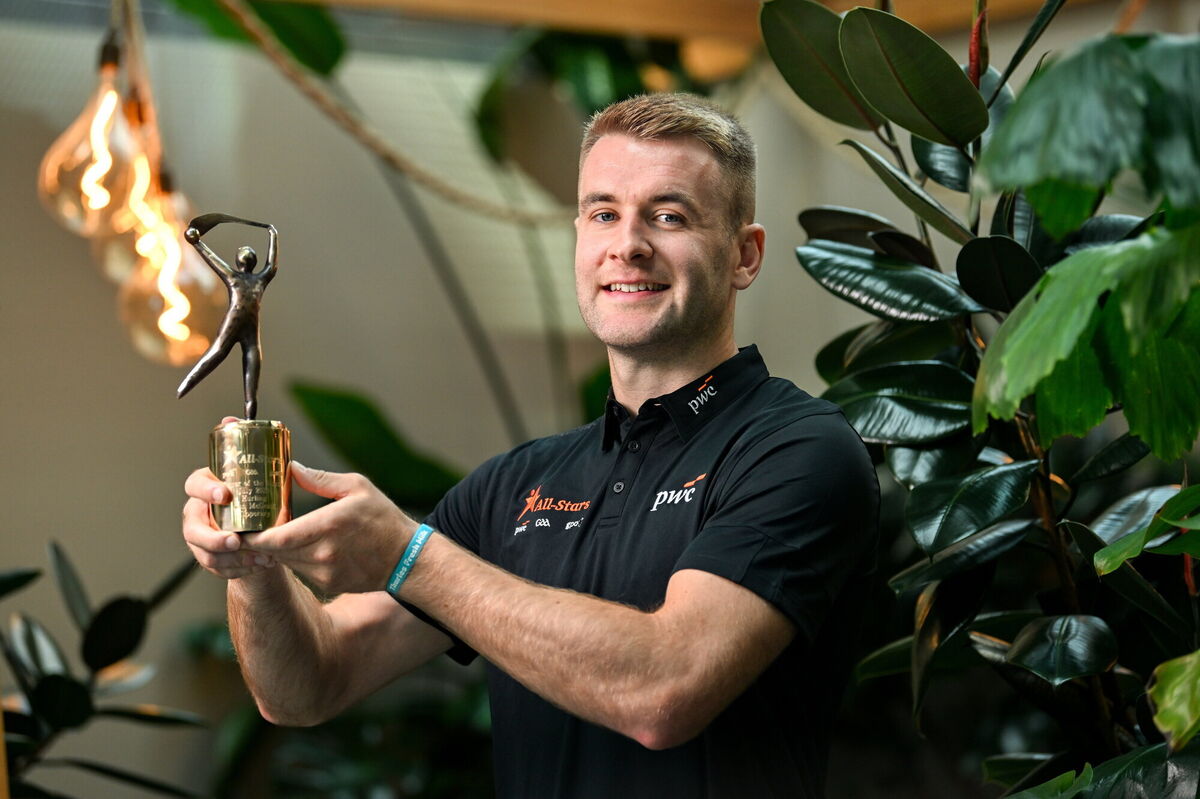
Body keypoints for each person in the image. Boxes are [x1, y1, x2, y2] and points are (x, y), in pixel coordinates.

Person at [181, 93, 879, 799]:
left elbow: (664, 688)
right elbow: (308, 683)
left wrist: (407, 555)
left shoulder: (800, 451)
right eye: (604, 213)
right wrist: (253, 560)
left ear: (744, 254)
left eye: (668, 216)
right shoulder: (516, 484)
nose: (627, 243)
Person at [178, 213, 279, 419]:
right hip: (233, 325)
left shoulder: (259, 280)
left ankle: (250, 421)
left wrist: (273, 234)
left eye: (249, 254)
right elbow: (212, 258)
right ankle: (185, 386)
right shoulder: (234, 276)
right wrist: (196, 243)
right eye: (245, 254)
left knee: (251, 373)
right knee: (216, 354)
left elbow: (272, 265)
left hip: (251, 333)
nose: (248, 256)